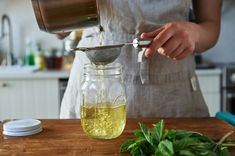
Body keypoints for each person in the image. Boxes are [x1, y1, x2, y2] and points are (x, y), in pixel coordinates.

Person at [60, 0, 222, 118]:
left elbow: (211, 26)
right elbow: (58, 29)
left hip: (174, 96)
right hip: (94, 93)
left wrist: (194, 33)